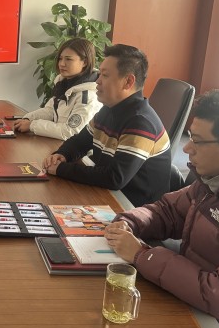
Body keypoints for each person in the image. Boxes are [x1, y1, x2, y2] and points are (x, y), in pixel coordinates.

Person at [104, 89, 219, 328]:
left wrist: (143, 255)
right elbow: (168, 210)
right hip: (199, 296)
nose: (186, 148)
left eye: (197, 140)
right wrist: (130, 222)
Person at [42, 44, 171, 206]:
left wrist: (61, 169)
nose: (97, 81)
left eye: (105, 75)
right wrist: (62, 154)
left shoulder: (141, 122)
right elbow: (80, 141)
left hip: (136, 209)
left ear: (128, 81)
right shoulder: (109, 110)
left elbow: (115, 178)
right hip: (109, 196)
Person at [14, 38, 101, 139]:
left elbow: (71, 132)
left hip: (75, 148)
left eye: (68, 59)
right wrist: (28, 119)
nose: (62, 64)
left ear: (85, 62)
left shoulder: (88, 96)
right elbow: (50, 111)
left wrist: (32, 125)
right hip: (57, 144)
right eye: (60, 58)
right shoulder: (63, 84)